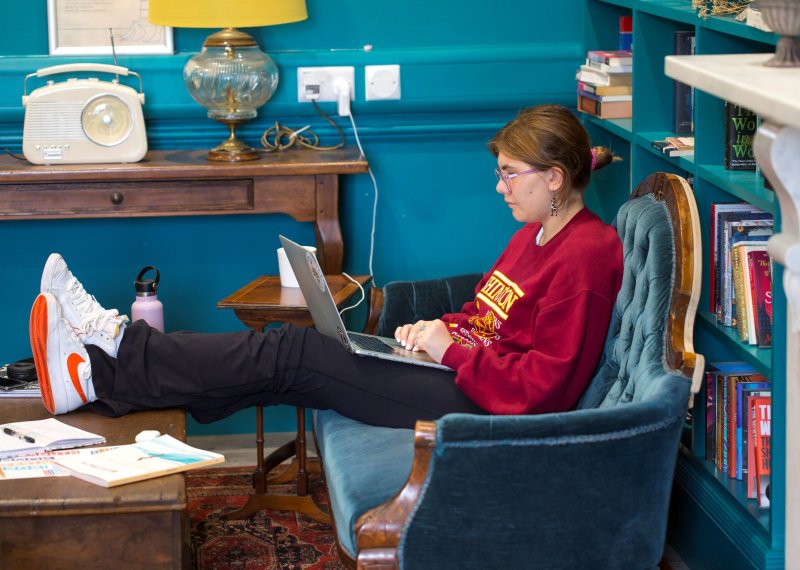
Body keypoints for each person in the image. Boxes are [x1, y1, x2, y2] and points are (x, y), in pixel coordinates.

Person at [29, 104, 623, 430]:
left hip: (479, 408)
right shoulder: (539, 233)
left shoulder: (586, 257)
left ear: (554, 177)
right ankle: (102, 377)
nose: (499, 188)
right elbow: (486, 312)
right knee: (285, 365)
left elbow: (541, 393)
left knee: (294, 352)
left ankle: (114, 349)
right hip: (454, 374)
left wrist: (451, 352)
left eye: (509, 174)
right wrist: (430, 333)